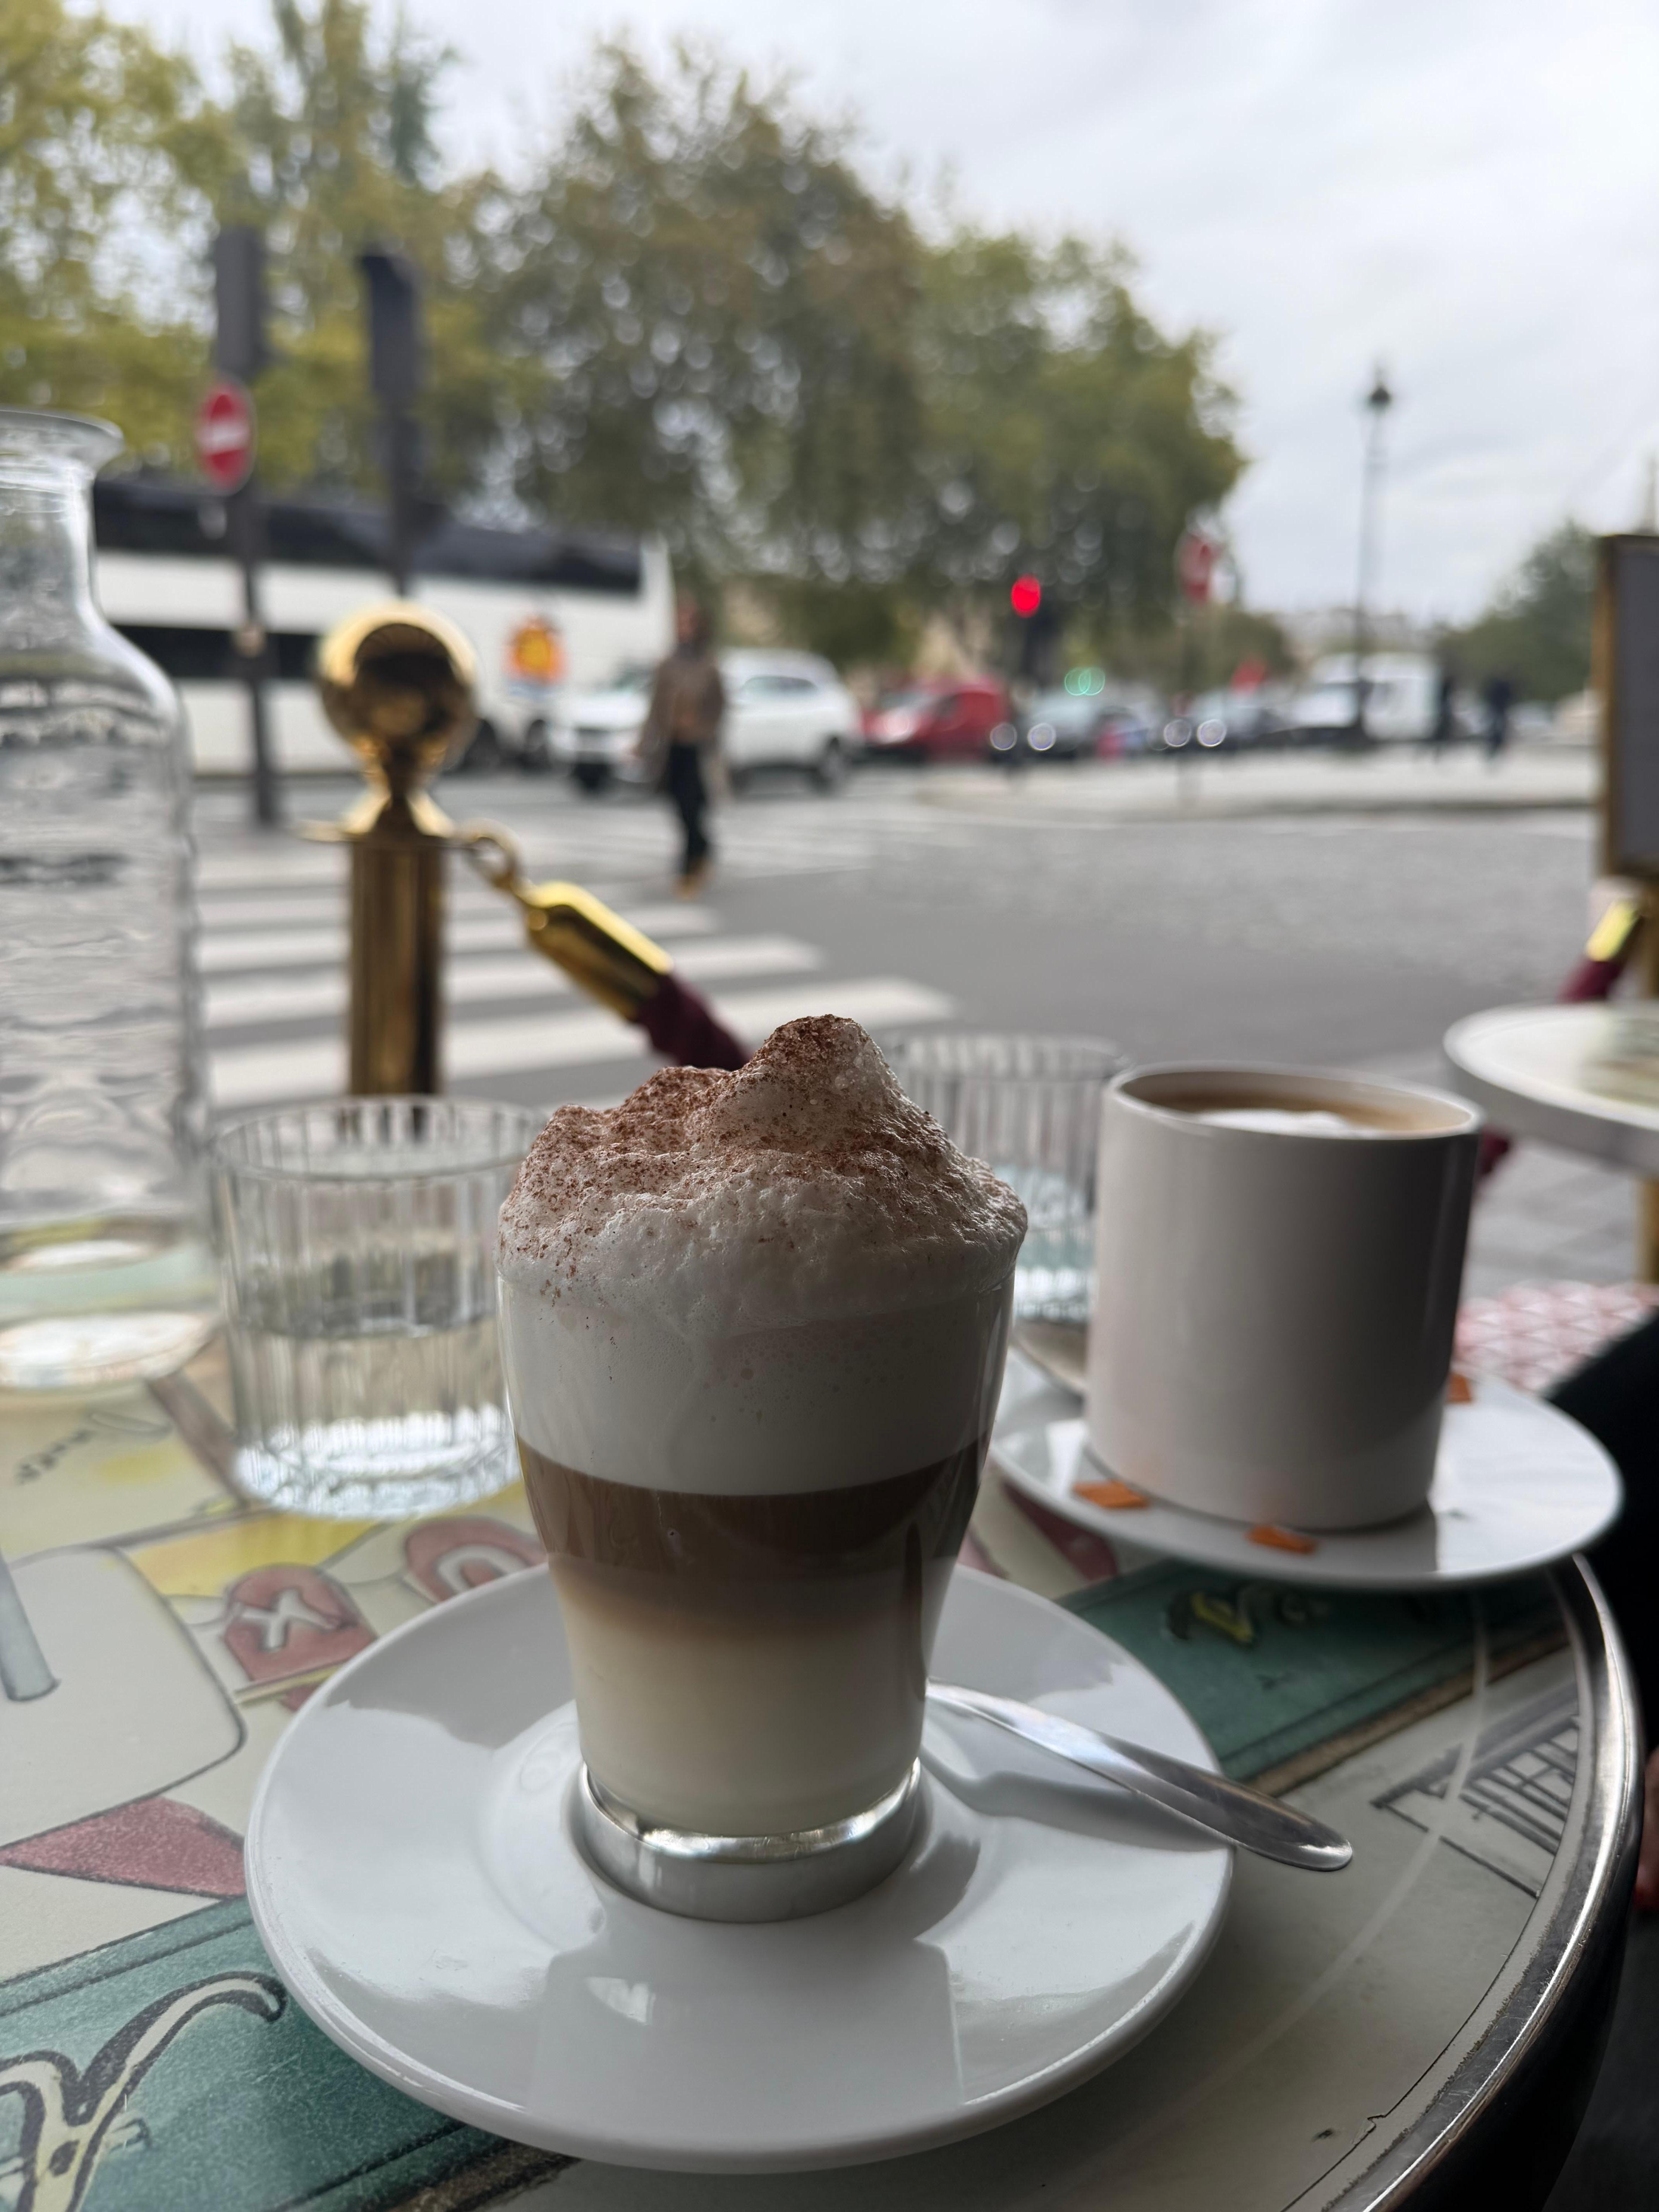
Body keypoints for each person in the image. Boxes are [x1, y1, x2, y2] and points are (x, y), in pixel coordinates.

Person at [639, 599, 725, 896]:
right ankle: (704, 850)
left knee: (694, 807)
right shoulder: (667, 665)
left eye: (689, 622)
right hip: (671, 748)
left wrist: (702, 731)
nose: (684, 628)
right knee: (678, 806)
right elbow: (654, 708)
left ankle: (688, 868)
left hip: (697, 749)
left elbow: (719, 709)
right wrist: (642, 743)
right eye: (680, 622)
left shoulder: (709, 666)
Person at [1483, 672, 1514, 761]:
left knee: (1497, 728)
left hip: (1499, 709)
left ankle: (1495, 748)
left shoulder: (1497, 686)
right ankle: (1494, 748)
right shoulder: (1500, 686)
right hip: (1498, 709)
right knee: (1496, 728)